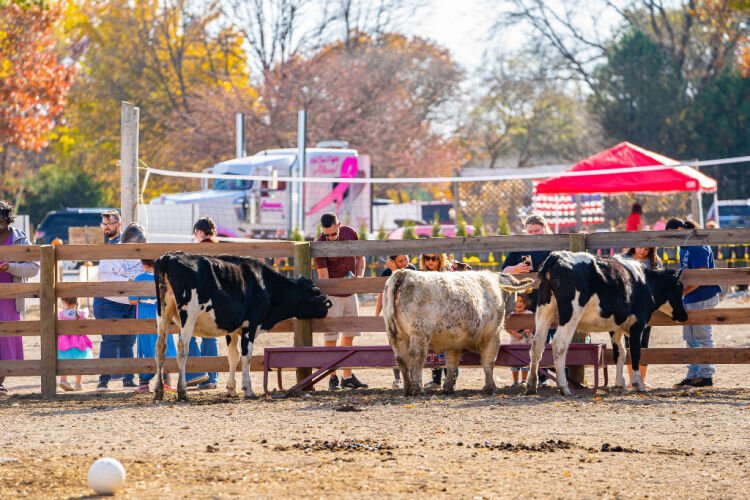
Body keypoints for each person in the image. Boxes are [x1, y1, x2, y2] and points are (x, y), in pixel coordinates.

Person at [314, 212, 368, 390]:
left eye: (332, 234)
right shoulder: (320, 244)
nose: (329, 237)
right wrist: (337, 289)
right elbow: (324, 277)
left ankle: (347, 375)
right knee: (331, 338)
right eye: (326, 234)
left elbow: (361, 258)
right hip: (333, 295)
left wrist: (359, 277)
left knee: (349, 335)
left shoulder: (350, 233)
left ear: (339, 225)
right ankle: (332, 376)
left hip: (351, 292)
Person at [666, 217, 722, 388]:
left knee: (703, 335)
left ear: (679, 230)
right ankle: (693, 374)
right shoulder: (684, 247)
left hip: (703, 295)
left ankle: (706, 375)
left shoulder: (697, 246)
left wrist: (681, 293)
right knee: (690, 336)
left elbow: (700, 277)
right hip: (690, 296)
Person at [502, 213, 554, 385]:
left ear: (544, 229)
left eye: (537, 230)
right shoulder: (520, 246)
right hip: (526, 300)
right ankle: (534, 375)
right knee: (529, 336)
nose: (533, 234)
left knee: (549, 334)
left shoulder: (554, 245)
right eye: (530, 231)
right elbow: (504, 270)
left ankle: (546, 374)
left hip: (550, 297)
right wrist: (517, 267)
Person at [95, 222, 145, 392]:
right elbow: (104, 277)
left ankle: (128, 378)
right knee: (110, 340)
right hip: (110, 301)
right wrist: (128, 282)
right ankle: (103, 380)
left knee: (129, 342)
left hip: (130, 301)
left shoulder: (140, 256)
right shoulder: (112, 253)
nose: (138, 247)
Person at [0, 201, 40, 394]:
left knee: (7, 338)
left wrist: (11, 267)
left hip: (10, 297)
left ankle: (0, 381)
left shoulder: (20, 239)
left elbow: (34, 267)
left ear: (5, 220)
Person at [129, 259, 177, 394]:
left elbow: (132, 300)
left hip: (145, 312)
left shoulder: (139, 278)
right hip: (160, 310)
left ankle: (144, 384)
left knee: (145, 344)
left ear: (144, 264)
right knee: (164, 342)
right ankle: (167, 382)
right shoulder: (164, 277)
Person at [184, 216, 220, 389]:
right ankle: (212, 378)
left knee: (189, 334)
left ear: (199, 232)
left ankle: (198, 373)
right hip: (220, 299)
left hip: (201, 298)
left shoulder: (198, 251)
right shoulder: (221, 249)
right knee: (211, 338)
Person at [622, 247, 664, 387]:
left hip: (646, 309)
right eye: (640, 248)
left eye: (646, 249)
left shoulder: (654, 262)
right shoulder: (624, 259)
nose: (642, 252)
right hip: (628, 307)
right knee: (628, 342)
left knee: (644, 342)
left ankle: (642, 378)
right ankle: (632, 378)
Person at [374, 255, 416, 389]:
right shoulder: (386, 273)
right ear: (393, 262)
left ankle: (412, 376)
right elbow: (382, 294)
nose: (404, 263)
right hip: (392, 312)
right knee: (396, 346)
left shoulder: (412, 270)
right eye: (400, 261)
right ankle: (398, 378)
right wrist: (377, 313)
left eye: (406, 260)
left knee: (410, 345)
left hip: (408, 313)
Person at [419, 252, 452, 389]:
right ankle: (436, 380)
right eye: (427, 258)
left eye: (434, 258)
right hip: (430, 315)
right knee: (434, 348)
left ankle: (450, 379)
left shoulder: (447, 273)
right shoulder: (422, 275)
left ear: (440, 259)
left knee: (448, 347)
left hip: (446, 314)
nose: (430, 261)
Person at [57, 297, 93, 391]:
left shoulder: (61, 313)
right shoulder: (82, 313)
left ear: (64, 302)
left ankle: (63, 380)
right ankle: (78, 383)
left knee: (65, 360)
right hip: (79, 342)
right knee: (79, 361)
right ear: (77, 302)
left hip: (65, 342)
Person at [507, 293, 533, 387]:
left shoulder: (529, 314)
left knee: (525, 361)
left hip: (527, 342)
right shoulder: (510, 315)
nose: (519, 303)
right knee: (514, 362)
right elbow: (508, 328)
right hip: (514, 342)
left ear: (525, 303)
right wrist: (516, 334)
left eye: (521, 301)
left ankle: (524, 380)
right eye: (516, 301)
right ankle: (515, 381)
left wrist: (522, 334)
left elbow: (530, 328)